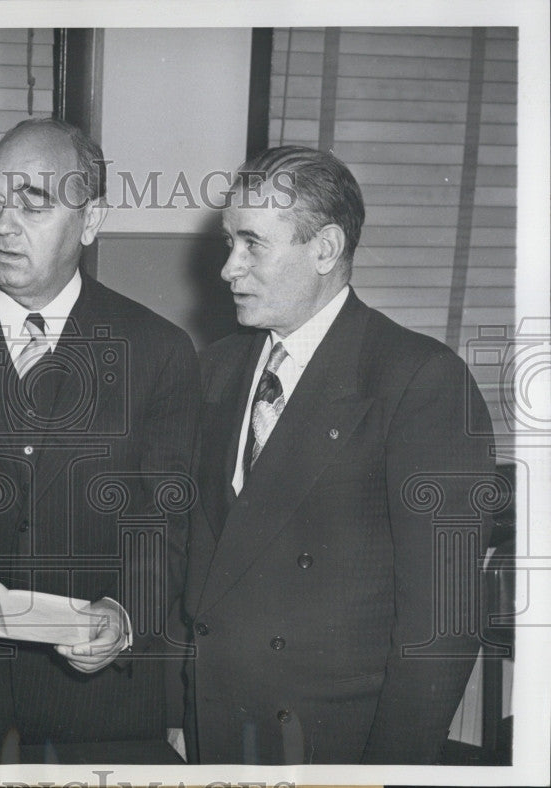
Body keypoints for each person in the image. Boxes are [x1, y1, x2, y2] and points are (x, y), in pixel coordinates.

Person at [0, 118, 200, 753]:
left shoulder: (160, 351)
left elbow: (166, 525)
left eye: (34, 201)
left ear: (91, 220)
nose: (2, 224)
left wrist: (124, 614)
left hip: (102, 704)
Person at [181, 145, 496, 764]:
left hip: (335, 741)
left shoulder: (419, 380)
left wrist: (392, 771)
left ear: (324, 249)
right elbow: (195, 560)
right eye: (227, 243)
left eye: (252, 244)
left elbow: (443, 621)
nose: (227, 269)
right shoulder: (215, 369)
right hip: (214, 724)